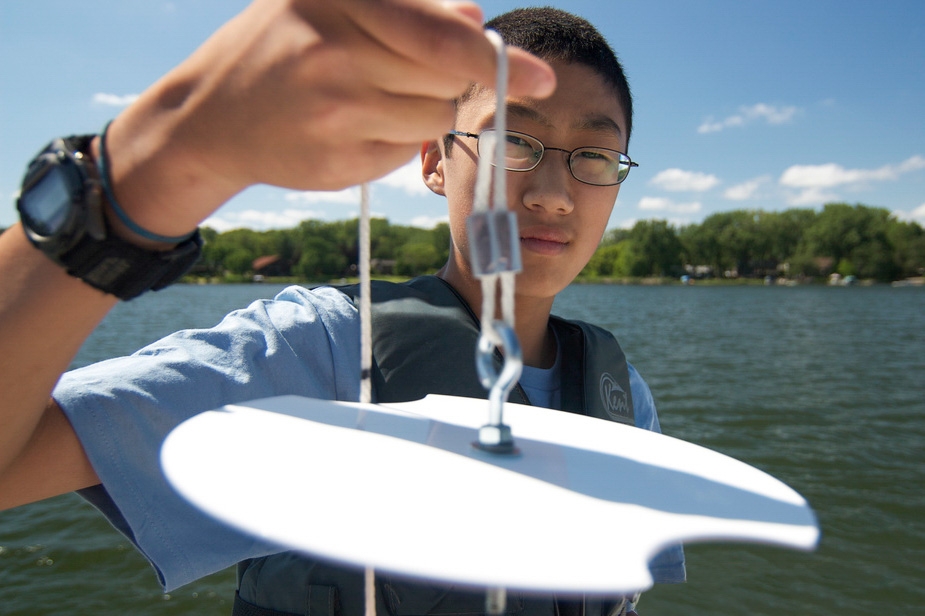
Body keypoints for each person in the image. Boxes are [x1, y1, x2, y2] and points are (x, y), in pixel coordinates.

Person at [0, 1, 684, 614]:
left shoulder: (623, 401)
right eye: (511, 141)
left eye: (595, 156)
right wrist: (159, 156)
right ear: (433, 160)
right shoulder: (317, 353)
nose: (554, 193)